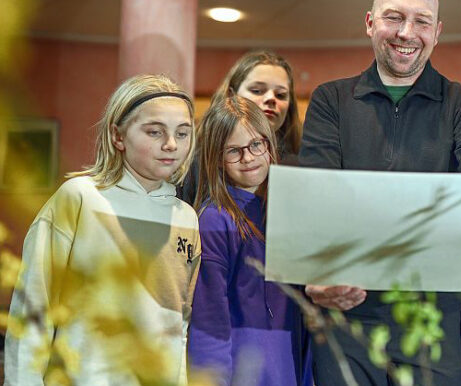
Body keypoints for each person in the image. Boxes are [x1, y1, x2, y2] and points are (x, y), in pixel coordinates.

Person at [299, 0, 461, 385]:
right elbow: (317, 195)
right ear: (369, 23)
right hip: (346, 318)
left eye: (421, 21)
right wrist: (315, 278)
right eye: (393, 18)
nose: (406, 33)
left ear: (438, 32)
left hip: (432, 323)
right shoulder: (331, 100)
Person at [4, 74, 201, 384]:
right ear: (117, 136)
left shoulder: (186, 217)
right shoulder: (79, 197)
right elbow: (33, 307)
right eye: (154, 131)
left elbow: (181, 326)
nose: (171, 144)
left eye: (183, 132)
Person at [188, 95, 311, 385]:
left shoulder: (291, 210)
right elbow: (209, 318)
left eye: (256, 144)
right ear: (216, 157)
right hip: (244, 371)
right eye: (233, 151)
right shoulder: (213, 219)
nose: (248, 158)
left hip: (291, 365)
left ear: (269, 143)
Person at [179, 50, 301, 203]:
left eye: (281, 95)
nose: (271, 99)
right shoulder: (194, 162)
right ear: (231, 94)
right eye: (257, 90)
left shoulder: (299, 163)